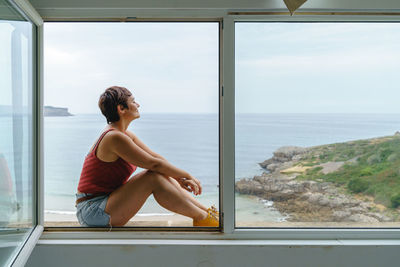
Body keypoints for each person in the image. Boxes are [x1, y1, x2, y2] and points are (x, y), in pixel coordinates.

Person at [75, 86, 219, 228]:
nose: (138, 105)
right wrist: (188, 175)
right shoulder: (114, 138)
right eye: (133, 101)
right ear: (121, 109)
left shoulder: (125, 135)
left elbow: (157, 159)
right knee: (152, 177)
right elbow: (154, 164)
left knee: (158, 173)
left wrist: (178, 178)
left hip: (104, 205)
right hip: (92, 211)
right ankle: (203, 218)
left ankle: (207, 213)